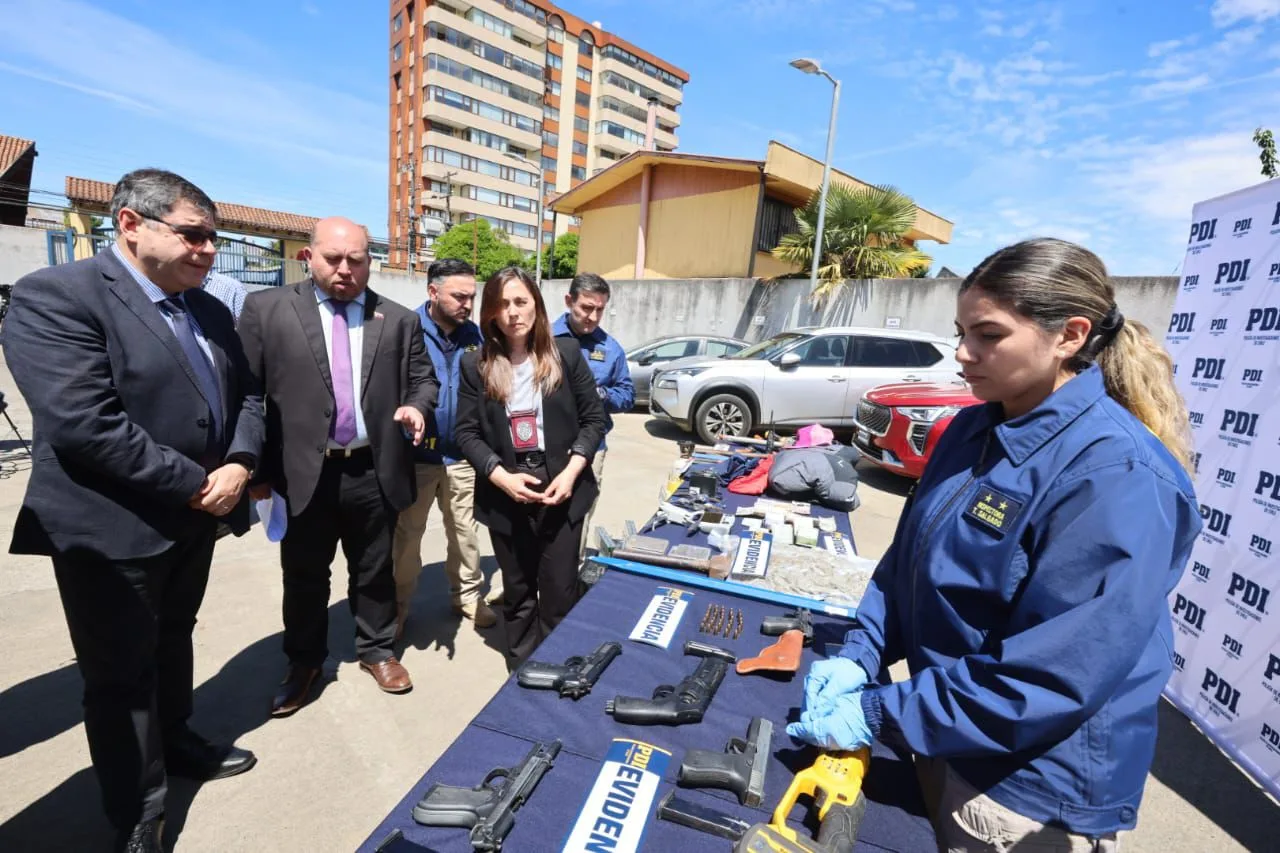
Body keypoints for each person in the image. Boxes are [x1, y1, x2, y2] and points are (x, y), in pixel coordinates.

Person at [787, 238, 1201, 851]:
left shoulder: (1117, 476)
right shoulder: (970, 427)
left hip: (1023, 787)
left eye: (988, 335)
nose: (962, 353)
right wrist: (862, 651)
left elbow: (1054, 674)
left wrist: (878, 713)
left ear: (1069, 336)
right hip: (944, 729)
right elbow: (908, 567)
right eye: (961, 332)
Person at [2, 168, 265, 853]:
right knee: (120, 675)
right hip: (110, 527)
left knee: (174, 638)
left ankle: (175, 740)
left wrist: (240, 462)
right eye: (194, 235)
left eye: (214, 236)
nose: (209, 249)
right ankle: (139, 809)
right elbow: (83, 423)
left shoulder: (208, 308)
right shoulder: (56, 296)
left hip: (195, 518)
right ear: (130, 224)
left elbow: (248, 395)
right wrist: (196, 483)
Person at [238, 217, 437, 717]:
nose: (345, 269)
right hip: (302, 471)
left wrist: (417, 406)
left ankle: (377, 650)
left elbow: (423, 380)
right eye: (333, 258)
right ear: (309, 257)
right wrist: (255, 470)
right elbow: (247, 394)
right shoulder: (267, 310)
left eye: (357, 259)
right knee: (305, 576)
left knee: (374, 570)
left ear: (370, 262)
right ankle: (304, 662)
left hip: (373, 468)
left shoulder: (398, 319)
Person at [455, 267, 606, 668]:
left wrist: (571, 471)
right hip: (507, 490)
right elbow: (466, 433)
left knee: (559, 592)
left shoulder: (566, 355)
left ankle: (558, 667)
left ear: (536, 306)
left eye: (521, 301)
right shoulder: (475, 365)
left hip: (561, 487)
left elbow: (594, 420)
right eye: (502, 303)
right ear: (490, 312)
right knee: (519, 593)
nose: (513, 312)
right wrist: (500, 475)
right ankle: (521, 670)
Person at [392, 258, 501, 637]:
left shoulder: (477, 336)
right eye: (459, 296)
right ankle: (398, 606)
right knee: (407, 537)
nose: (467, 304)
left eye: (471, 296)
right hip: (417, 456)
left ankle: (467, 597)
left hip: (463, 456)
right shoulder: (405, 329)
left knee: (465, 533)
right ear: (433, 292)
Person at [552, 272, 633, 559]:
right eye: (587, 308)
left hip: (591, 447)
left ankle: (570, 572)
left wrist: (602, 394)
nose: (593, 316)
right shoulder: (543, 339)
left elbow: (627, 395)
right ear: (569, 301)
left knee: (580, 513)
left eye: (600, 309)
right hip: (547, 445)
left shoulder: (610, 349)